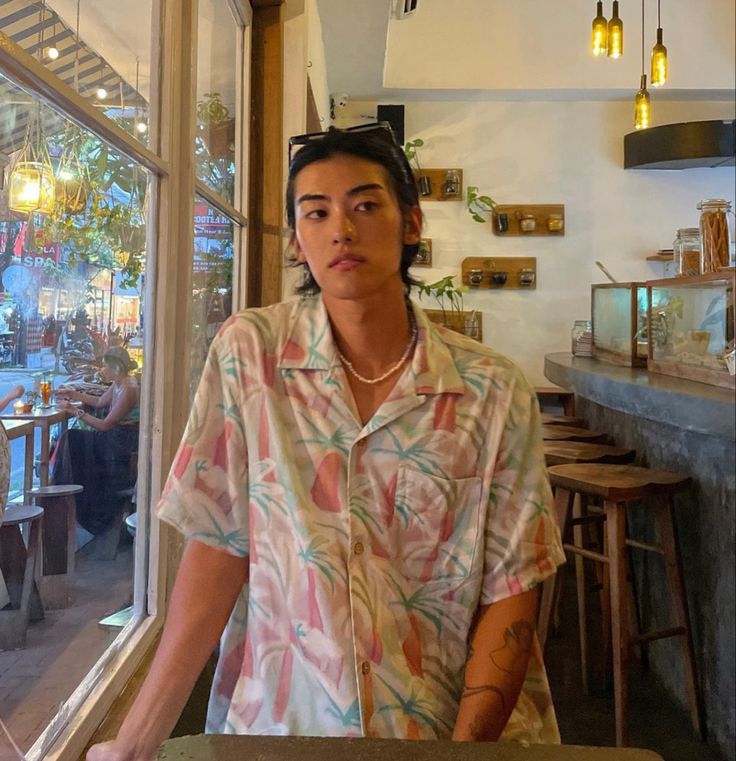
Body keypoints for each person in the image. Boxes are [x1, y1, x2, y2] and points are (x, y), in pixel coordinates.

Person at [88, 125, 564, 760]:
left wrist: (461, 753)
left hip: (442, 725)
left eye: (366, 205)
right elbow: (219, 546)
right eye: (317, 212)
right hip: (283, 725)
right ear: (296, 241)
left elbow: (512, 587)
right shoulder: (248, 354)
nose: (342, 227)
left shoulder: (492, 391)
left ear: (412, 223)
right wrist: (134, 742)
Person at [53, 346, 140, 536]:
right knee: (71, 437)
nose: (103, 370)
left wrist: (75, 411)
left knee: (72, 439)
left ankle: (63, 495)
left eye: (106, 367)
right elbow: (100, 402)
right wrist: (73, 394)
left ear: (116, 368)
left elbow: (106, 426)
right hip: (112, 436)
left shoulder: (129, 389)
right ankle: (62, 492)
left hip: (120, 442)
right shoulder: (118, 383)